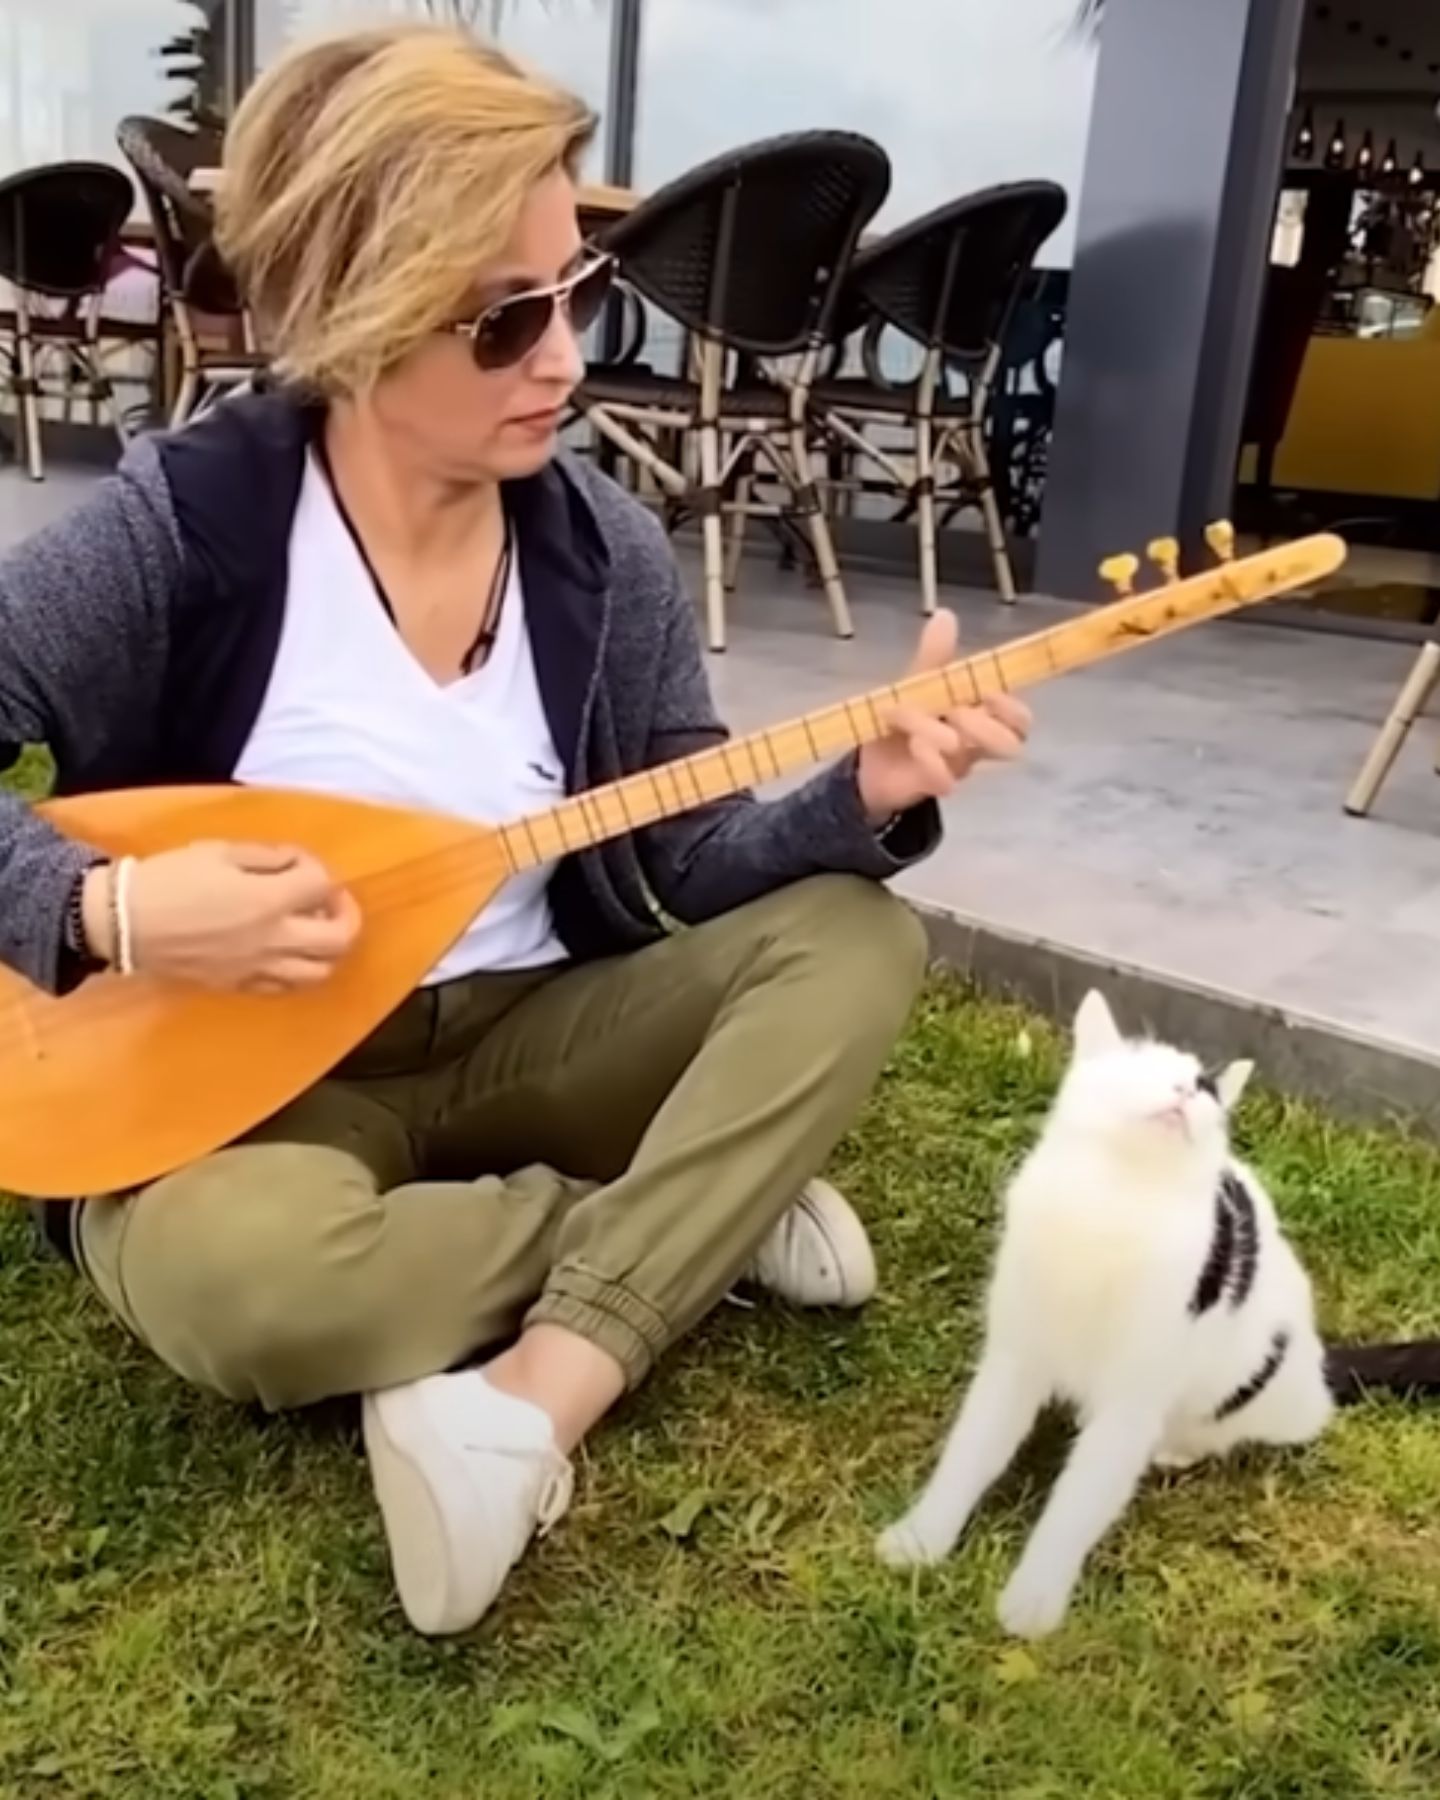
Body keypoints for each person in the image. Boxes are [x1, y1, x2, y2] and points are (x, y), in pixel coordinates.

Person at [0, 24, 1031, 1636]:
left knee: (855, 935)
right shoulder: (182, 533)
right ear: (355, 312)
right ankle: (702, 1216)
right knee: (238, 1293)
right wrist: (109, 914)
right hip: (255, 1080)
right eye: (502, 319)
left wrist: (866, 797)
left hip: (533, 1028)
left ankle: (546, 1384)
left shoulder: (598, 550)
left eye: (579, 295)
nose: (560, 358)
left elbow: (683, 859)